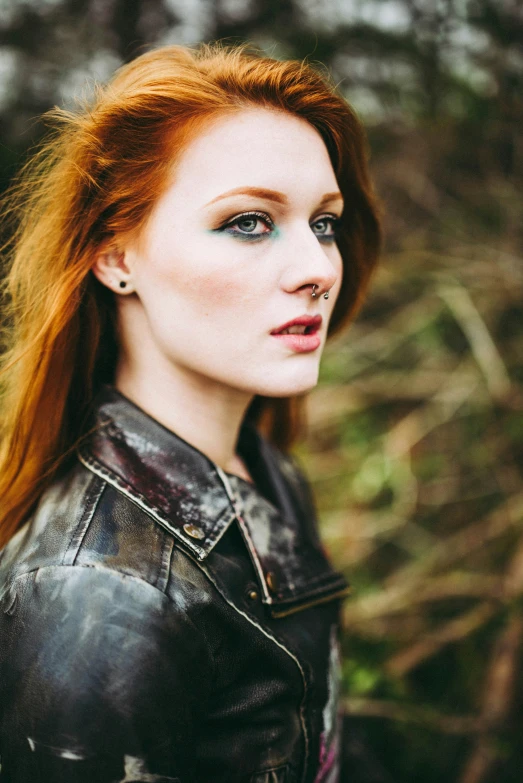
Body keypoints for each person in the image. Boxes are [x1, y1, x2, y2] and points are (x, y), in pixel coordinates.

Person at [0, 42, 381, 783]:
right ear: (115, 256)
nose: (316, 268)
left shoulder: (257, 463)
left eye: (324, 222)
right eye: (248, 221)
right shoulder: (102, 598)